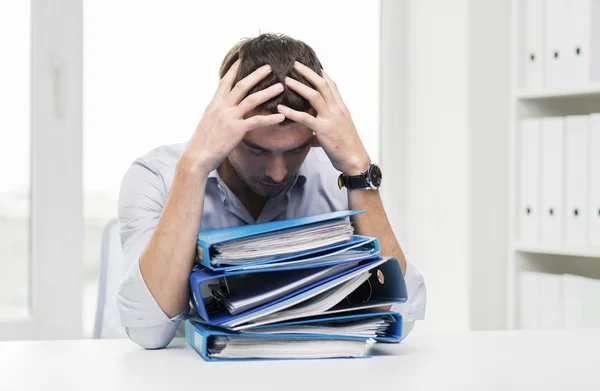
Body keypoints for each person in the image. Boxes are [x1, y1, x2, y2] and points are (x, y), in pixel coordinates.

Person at [116, 33, 426, 349]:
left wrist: (360, 171)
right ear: (223, 123)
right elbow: (148, 331)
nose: (277, 174)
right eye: (257, 150)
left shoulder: (338, 178)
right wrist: (193, 169)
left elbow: (402, 317)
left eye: (296, 150)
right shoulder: (156, 177)